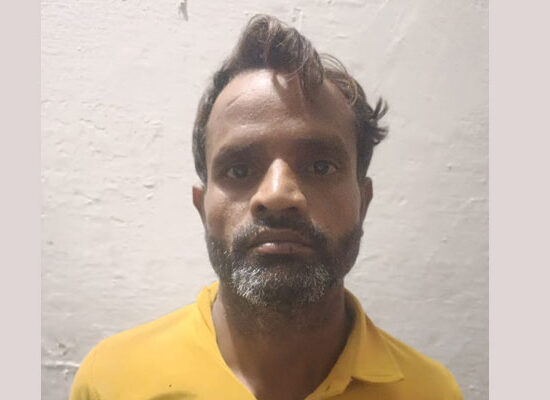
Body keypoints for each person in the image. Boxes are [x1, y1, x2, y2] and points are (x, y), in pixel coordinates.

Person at [70, 14, 462, 400]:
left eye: (320, 166)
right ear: (202, 208)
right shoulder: (111, 383)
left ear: (363, 202)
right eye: (239, 169)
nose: (277, 195)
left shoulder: (431, 392)